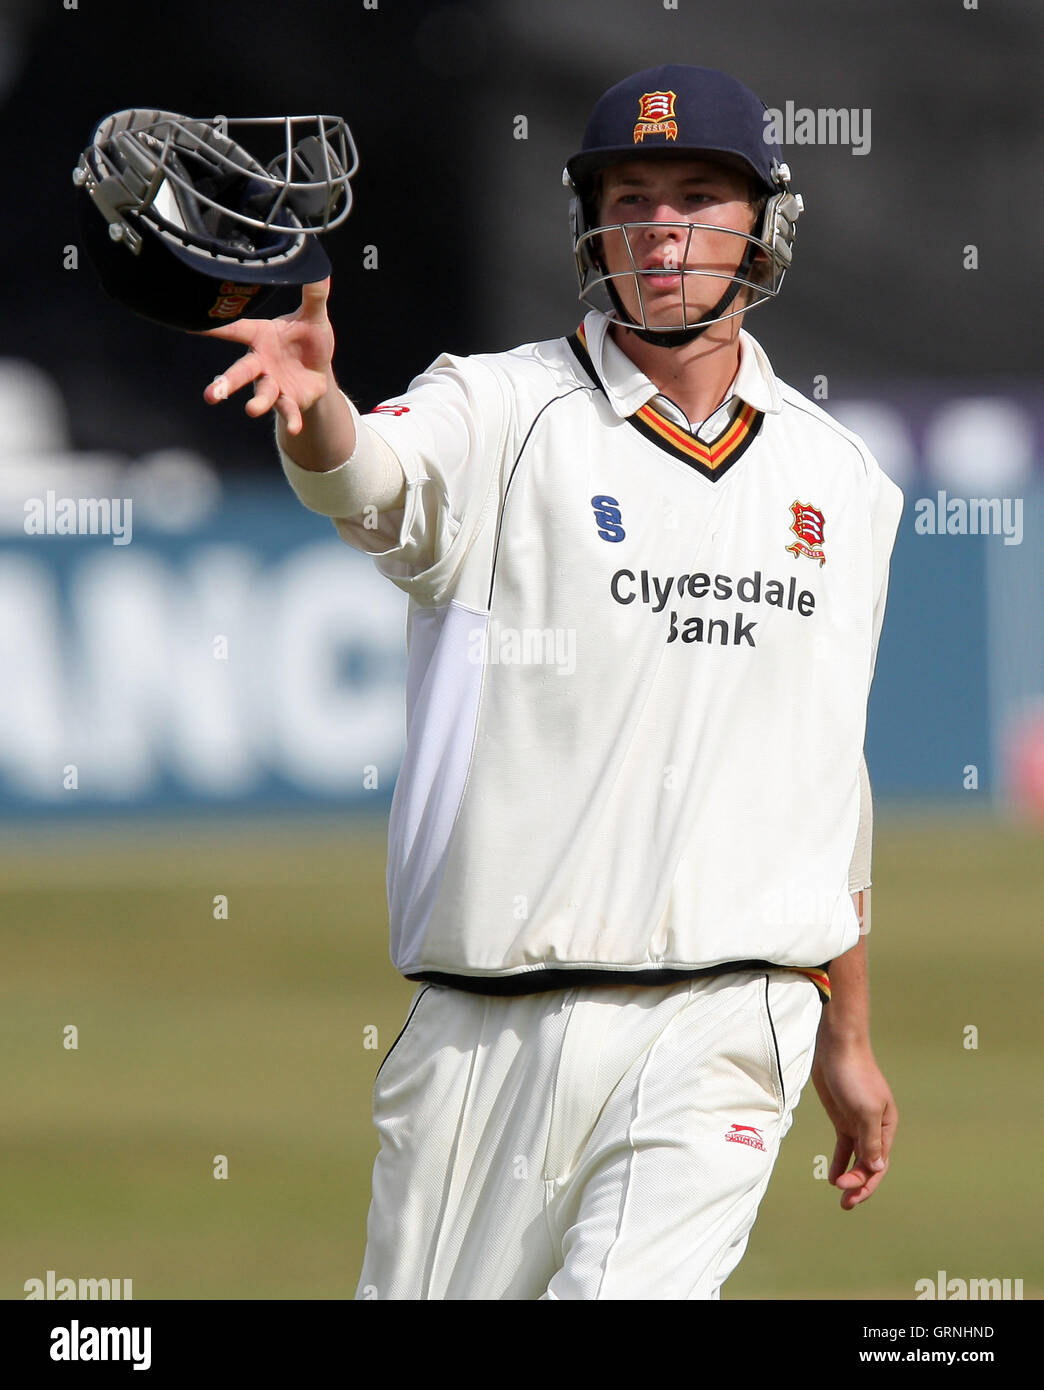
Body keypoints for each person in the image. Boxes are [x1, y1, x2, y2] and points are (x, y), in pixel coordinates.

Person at [203, 65, 902, 1300]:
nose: (664, 228)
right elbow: (369, 482)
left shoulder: (842, 479)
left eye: (700, 196)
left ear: (763, 226)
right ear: (591, 224)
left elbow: (826, 772)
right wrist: (314, 408)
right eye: (631, 197)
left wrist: (843, 1029)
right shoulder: (499, 405)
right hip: (488, 1025)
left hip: (730, 1022)